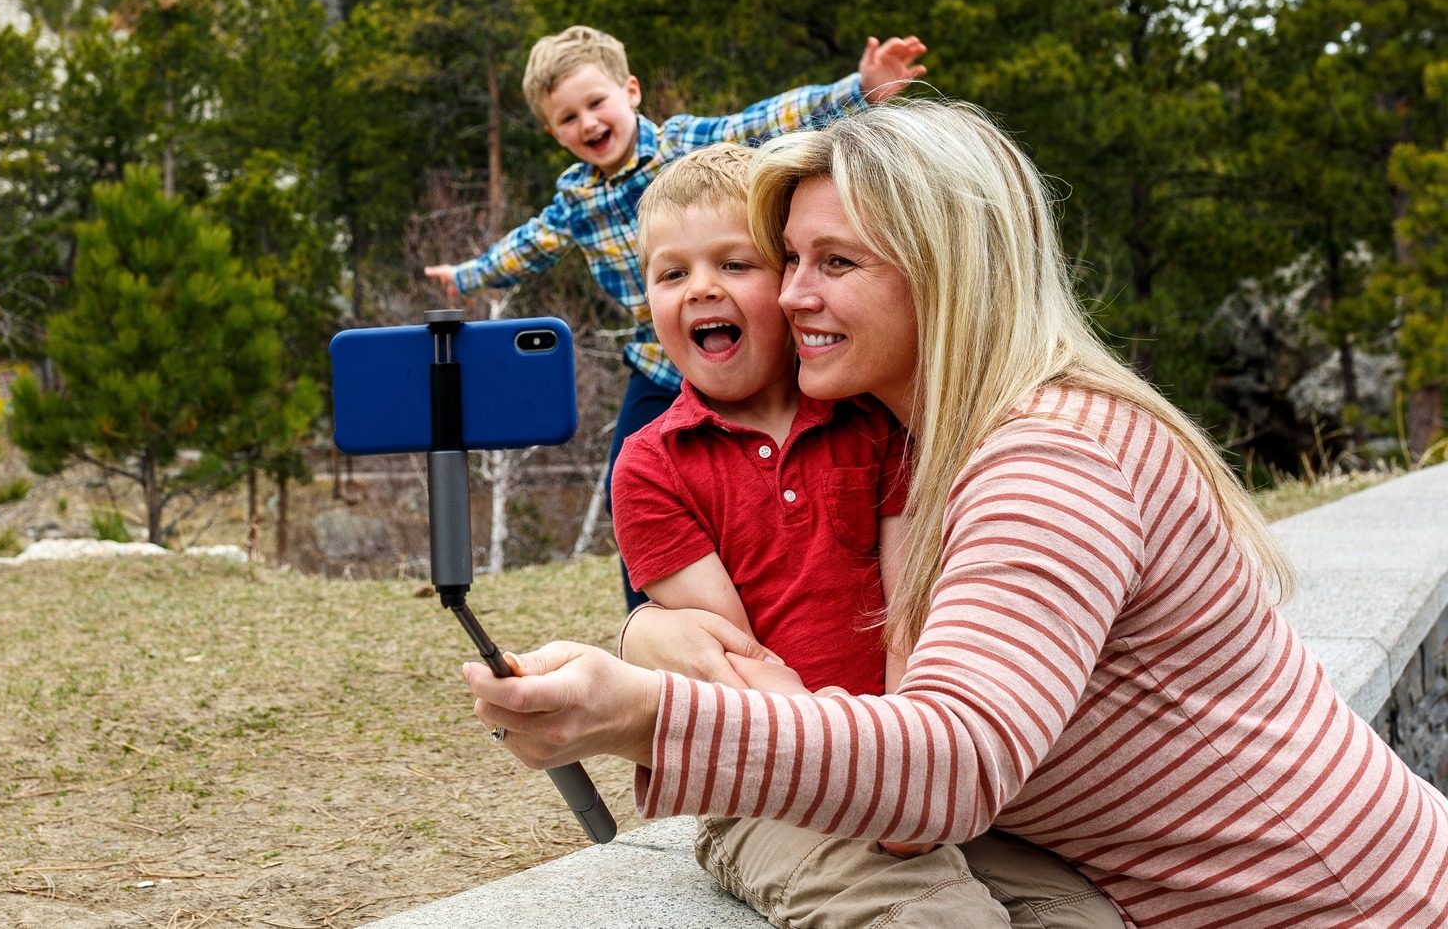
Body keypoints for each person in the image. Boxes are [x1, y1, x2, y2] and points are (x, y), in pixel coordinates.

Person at [464, 100, 1448, 927]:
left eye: (832, 263)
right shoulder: (931, 437)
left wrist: (638, 711)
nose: (791, 293)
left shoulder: (1048, 455)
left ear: (944, 271)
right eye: (790, 257)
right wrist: (651, 624)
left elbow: (953, 758)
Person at [613, 142, 1118, 927]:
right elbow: (734, 661)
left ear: (787, 287)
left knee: (1078, 911)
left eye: (735, 264)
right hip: (766, 784)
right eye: (671, 273)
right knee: (929, 918)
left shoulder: (874, 422)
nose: (701, 287)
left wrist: (905, 784)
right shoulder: (652, 464)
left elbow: (908, 606)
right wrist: (851, 778)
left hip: (902, 751)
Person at [426, 25, 928, 608]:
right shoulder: (574, 203)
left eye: (596, 103)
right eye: (567, 119)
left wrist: (857, 89)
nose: (587, 124)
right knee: (633, 481)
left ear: (631, 91)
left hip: (756, 346)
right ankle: (651, 613)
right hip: (656, 359)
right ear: (552, 132)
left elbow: (763, 121)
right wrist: (465, 278)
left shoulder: (684, 146)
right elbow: (524, 248)